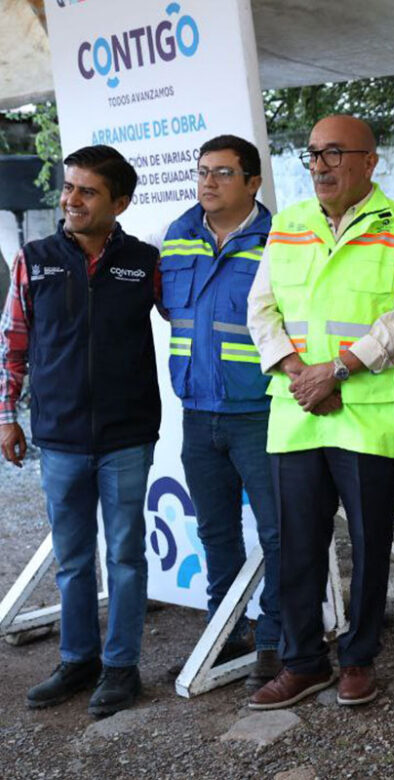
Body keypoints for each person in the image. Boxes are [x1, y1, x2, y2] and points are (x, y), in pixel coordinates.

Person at [246, 115, 394, 709]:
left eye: (334, 153)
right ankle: (303, 662)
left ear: (369, 161)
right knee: (296, 545)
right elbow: (262, 308)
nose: (321, 165)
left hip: (370, 415)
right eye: (312, 154)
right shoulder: (291, 224)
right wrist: (302, 374)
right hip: (299, 409)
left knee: (370, 543)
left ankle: (358, 658)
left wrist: (341, 370)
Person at [0, 145, 161, 717]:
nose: (70, 199)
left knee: (124, 555)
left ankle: (121, 668)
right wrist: (6, 417)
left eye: (86, 191)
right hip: (59, 437)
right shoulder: (35, 258)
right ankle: (78, 661)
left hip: (127, 436)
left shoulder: (145, 261)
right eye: (68, 187)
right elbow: (13, 344)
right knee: (72, 559)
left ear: (119, 202)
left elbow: (188, 314)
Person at [160, 134, 281, 691]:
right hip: (196, 412)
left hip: (258, 411)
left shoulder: (279, 240)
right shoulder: (178, 237)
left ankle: (276, 640)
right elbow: (171, 308)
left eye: (223, 173)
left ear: (253, 183)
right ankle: (226, 629)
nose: (208, 182)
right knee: (215, 532)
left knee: (279, 531)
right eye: (203, 171)